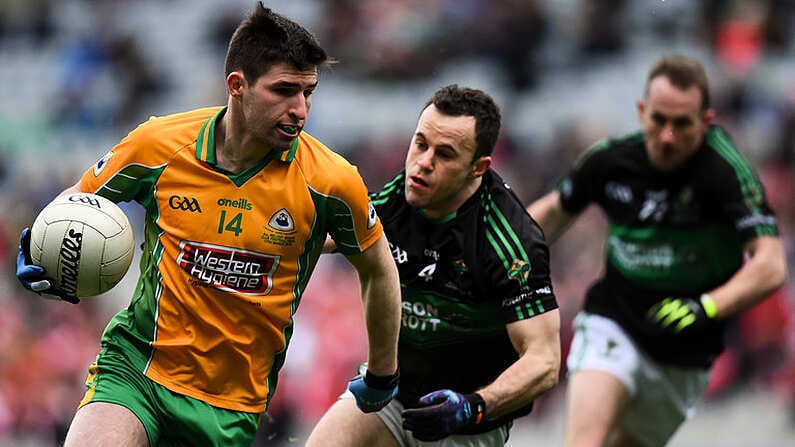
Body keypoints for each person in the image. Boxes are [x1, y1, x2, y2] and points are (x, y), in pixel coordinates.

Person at [15, 4, 402, 446]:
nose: (300, 109)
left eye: (308, 92)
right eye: (284, 91)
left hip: (230, 404)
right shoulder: (159, 143)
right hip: (138, 368)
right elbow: (78, 200)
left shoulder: (331, 182)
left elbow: (378, 266)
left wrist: (382, 372)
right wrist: (41, 244)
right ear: (238, 86)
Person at [527, 54, 788, 447]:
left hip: (683, 353)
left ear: (705, 121)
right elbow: (553, 211)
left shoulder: (725, 172)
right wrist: (494, 260)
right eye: (659, 120)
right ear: (642, 111)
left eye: (682, 124)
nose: (667, 135)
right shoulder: (611, 159)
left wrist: (707, 306)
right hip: (613, 323)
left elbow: (770, 265)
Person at [306, 84, 562, 447]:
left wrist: (474, 406)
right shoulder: (401, 196)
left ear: (478, 168)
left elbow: (545, 362)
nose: (423, 162)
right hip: (390, 396)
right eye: (420, 143)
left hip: (465, 425)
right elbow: (328, 235)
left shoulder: (510, 243)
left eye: (445, 154)